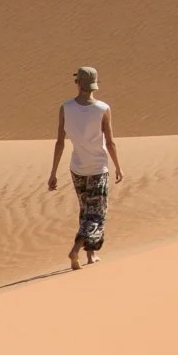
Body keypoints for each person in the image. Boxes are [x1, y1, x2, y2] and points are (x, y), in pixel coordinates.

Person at [46, 65, 124, 270]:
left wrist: (53, 173)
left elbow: (60, 142)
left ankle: (91, 254)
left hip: (77, 168)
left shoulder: (65, 108)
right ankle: (76, 248)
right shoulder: (103, 109)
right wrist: (118, 166)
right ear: (94, 86)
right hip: (98, 168)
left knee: (86, 210)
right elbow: (110, 141)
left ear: (78, 83)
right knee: (97, 214)